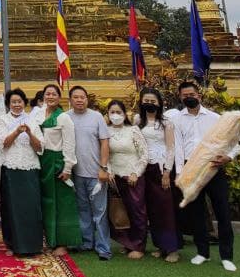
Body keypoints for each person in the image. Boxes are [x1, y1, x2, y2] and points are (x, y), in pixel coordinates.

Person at [173, 79, 240, 272]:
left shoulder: (215, 118)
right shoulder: (177, 119)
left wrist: (228, 157)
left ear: (199, 95)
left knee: (223, 212)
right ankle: (202, 252)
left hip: (213, 168)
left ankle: (227, 255)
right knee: (197, 214)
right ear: (180, 97)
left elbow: (235, 141)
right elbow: (177, 148)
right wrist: (181, 175)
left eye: (192, 95)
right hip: (190, 170)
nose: (189, 98)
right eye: (185, 96)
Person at [65, 86, 111, 260]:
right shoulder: (66, 117)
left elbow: (105, 143)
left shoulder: (97, 117)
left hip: (96, 172)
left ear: (87, 99)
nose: (79, 100)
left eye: (82, 97)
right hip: (76, 173)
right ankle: (86, 242)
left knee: (99, 212)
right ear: (70, 100)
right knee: (82, 210)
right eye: (75, 97)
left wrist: (103, 168)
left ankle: (103, 247)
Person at [135, 89, 181, 262]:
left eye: (153, 101)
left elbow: (171, 148)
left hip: (161, 167)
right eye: (146, 100)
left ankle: (172, 248)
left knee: (165, 208)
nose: (149, 103)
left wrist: (167, 172)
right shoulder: (138, 120)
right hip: (143, 167)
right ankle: (160, 246)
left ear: (159, 103)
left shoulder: (166, 123)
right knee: (152, 209)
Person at [0, 88, 44, 256]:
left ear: (24, 103)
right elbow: (4, 143)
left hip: (29, 168)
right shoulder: (2, 120)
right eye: (13, 102)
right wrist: (17, 131)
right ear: (8, 104)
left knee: (30, 208)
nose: (17, 105)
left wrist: (30, 133)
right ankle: (13, 244)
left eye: (19, 102)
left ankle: (32, 245)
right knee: (12, 207)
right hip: (11, 168)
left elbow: (40, 147)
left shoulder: (32, 120)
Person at [38, 83, 80, 254]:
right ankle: (51, 239)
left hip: (57, 162)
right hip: (42, 162)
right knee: (47, 202)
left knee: (61, 203)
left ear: (59, 96)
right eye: (47, 94)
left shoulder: (63, 118)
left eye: (54, 94)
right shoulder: (39, 114)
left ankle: (63, 242)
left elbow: (70, 143)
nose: (50, 97)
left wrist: (68, 166)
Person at [105, 99, 149, 258]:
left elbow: (144, 155)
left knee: (137, 211)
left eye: (119, 112)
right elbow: (105, 156)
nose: (116, 115)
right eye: (112, 112)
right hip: (115, 178)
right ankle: (127, 243)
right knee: (119, 211)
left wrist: (135, 173)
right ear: (108, 114)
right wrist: (108, 171)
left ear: (125, 114)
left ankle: (138, 245)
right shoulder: (105, 131)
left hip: (133, 177)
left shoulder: (133, 130)